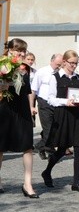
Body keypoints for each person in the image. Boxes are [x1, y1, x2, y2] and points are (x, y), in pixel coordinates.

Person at [41, 50, 79, 193]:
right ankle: (47, 171)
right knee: (62, 149)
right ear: (64, 62)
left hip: (77, 115)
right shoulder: (55, 77)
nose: (74, 66)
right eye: (71, 63)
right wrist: (66, 102)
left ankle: (75, 183)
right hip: (63, 114)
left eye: (76, 63)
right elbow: (50, 98)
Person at [0, 38, 39, 198]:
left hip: (22, 109)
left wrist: (31, 107)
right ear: (10, 50)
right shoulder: (3, 64)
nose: (22, 53)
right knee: (0, 147)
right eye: (18, 50)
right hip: (4, 108)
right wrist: (3, 85)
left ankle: (27, 184)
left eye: (24, 50)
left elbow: (28, 91)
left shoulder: (25, 68)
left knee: (27, 146)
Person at [31, 53, 63, 160]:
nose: (59, 67)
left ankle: (39, 146)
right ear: (52, 61)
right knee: (48, 128)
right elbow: (33, 89)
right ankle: (51, 151)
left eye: (61, 64)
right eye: (57, 64)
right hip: (44, 102)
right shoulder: (42, 72)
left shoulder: (61, 73)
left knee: (55, 128)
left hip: (57, 103)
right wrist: (31, 105)